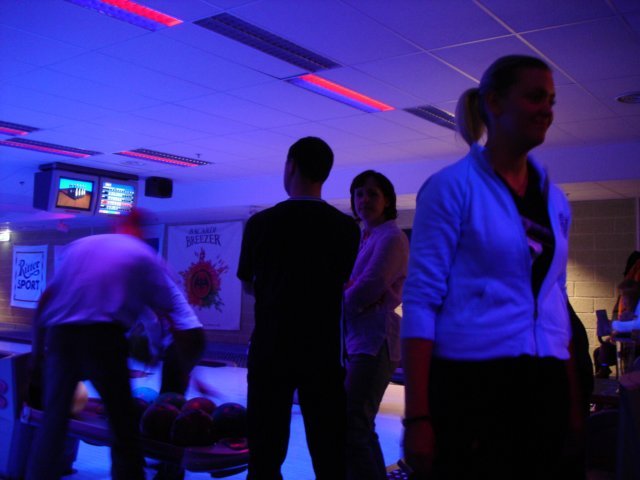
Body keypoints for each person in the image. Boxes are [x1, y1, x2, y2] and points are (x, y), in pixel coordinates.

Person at [401, 55, 574, 479]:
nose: (547, 110)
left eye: (551, 100)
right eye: (535, 97)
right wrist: (417, 417)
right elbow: (421, 300)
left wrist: (572, 402)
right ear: (494, 103)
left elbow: (555, 299)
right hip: (472, 382)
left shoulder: (554, 200)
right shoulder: (450, 188)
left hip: (544, 380)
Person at [26, 210, 190, 480]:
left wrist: (36, 351)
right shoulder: (143, 254)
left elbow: (45, 300)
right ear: (141, 230)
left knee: (53, 422)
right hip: (103, 339)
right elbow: (166, 311)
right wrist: (159, 350)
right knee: (122, 424)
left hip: (60, 336)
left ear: (116, 226)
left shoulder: (79, 246)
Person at [237, 136, 360, 480]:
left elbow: (248, 284)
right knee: (329, 453)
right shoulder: (347, 228)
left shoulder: (260, 224)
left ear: (290, 165)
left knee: (264, 455)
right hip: (323, 351)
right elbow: (344, 283)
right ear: (326, 173)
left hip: (270, 348)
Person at [343, 170, 409, 480]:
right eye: (359, 194)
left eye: (372, 194)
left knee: (354, 421)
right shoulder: (364, 237)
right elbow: (353, 288)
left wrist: (344, 297)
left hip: (376, 340)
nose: (364, 200)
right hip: (359, 338)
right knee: (357, 422)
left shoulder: (392, 237)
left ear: (387, 201)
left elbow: (368, 287)